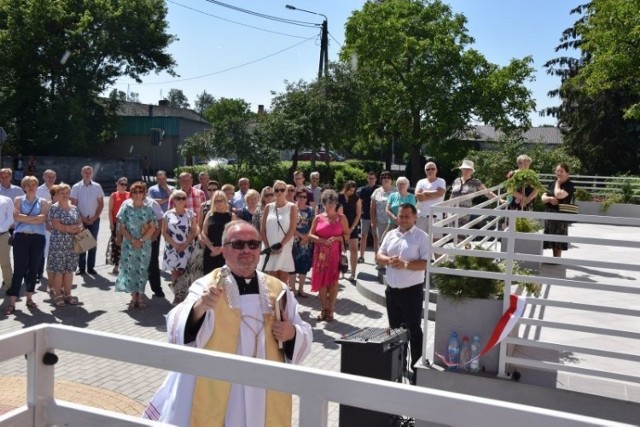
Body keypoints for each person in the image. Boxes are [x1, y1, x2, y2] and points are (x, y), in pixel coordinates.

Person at [142, 221, 313, 426]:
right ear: (224, 250)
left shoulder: (279, 289)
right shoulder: (208, 285)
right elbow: (178, 324)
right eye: (238, 245)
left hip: (264, 388)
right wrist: (201, 307)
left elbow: (303, 331)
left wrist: (291, 333)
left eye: (253, 244)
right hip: (220, 384)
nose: (247, 250)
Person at [376, 203, 429, 383]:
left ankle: (416, 368)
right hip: (392, 291)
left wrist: (405, 264)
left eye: (407, 216)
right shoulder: (391, 234)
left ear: (415, 218)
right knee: (396, 332)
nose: (403, 219)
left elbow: (427, 263)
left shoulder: (422, 237)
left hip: (412, 292)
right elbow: (378, 255)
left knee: (414, 330)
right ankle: (397, 368)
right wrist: (388, 260)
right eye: (401, 216)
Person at [4, 176, 49, 314]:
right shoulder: (18, 200)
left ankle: (29, 298)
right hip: (21, 238)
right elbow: (16, 218)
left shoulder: (43, 202)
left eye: (33, 184)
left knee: (33, 269)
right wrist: (34, 219)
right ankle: (12, 302)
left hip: (38, 239)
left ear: (37, 186)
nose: (31, 187)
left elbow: (43, 219)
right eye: (28, 185)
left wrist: (26, 218)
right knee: (19, 269)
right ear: (24, 186)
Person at [115, 181, 157, 309]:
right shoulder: (126, 207)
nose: (138, 194)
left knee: (142, 270)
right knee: (131, 270)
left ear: (144, 193)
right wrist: (133, 240)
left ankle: (141, 297)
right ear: (131, 193)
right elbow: (122, 227)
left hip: (144, 245)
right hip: (129, 244)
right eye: (135, 192)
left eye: (140, 192)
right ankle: (133, 297)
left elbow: (152, 227)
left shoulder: (149, 208)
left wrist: (141, 240)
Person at [309, 189, 349, 322]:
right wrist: (321, 240)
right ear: (323, 203)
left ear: (336, 203)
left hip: (334, 255)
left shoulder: (341, 218)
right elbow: (310, 235)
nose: (330, 204)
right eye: (327, 202)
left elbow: (347, 235)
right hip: (320, 254)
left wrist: (337, 238)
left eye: (332, 201)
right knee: (321, 282)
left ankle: (331, 310)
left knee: (333, 282)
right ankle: (323, 309)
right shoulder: (318, 218)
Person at [47, 183, 83, 307]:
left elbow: (80, 223)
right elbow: (56, 225)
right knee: (59, 271)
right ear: (56, 195)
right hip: (58, 243)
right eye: (62, 193)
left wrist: (78, 228)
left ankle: (68, 294)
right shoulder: (54, 208)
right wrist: (69, 229)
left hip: (73, 243)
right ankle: (58, 295)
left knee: (69, 270)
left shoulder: (74, 208)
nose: (65, 195)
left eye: (67, 193)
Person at [162, 190, 199, 305]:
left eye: (183, 198)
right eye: (178, 198)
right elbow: (164, 232)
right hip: (172, 249)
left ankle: (187, 296)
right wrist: (175, 245)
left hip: (187, 248)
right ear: (173, 200)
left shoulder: (191, 214)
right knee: (175, 273)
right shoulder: (167, 215)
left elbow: (193, 231)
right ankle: (177, 296)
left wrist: (185, 244)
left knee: (187, 273)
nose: (181, 200)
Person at [70, 165, 105, 275]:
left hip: (94, 220)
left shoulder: (97, 186)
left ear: (92, 173)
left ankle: (91, 267)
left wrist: (94, 217)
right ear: (82, 173)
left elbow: (101, 204)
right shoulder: (76, 187)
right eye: (85, 172)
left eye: (89, 172)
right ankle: (81, 268)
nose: (87, 174)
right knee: (81, 244)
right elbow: (74, 205)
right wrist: (82, 219)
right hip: (81, 220)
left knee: (92, 244)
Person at [261, 180, 297, 283]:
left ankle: (283, 299)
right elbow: (263, 230)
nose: (279, 192)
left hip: (284, 246)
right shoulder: (268, 207)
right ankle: (273, 300)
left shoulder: (292, 207)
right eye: (277, 190)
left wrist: (281, 245)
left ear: (286, 191)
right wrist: (268, 247)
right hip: (270, 247)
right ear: (274, 192)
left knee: (282, 280)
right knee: (272, 280)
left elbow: (292, 229)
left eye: (282, 190)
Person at [542, 162, 575, 258]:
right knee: (550, 236)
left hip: (561, 216)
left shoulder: (569, 185)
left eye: (562, 171)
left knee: (558, 238)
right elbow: (543, 197)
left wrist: (558, 183)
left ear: (567, 173)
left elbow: (559, 195)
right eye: (557, 171)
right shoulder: (551, 183)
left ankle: (556, 260)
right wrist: (549, 199)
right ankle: (553, 259)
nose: (559, 173)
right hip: (549, 213)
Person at [201, 190, 235, 275]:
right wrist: (212, 248)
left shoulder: (231, 216)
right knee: (210, 280)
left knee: (225, 281)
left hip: (225, 252)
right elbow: (203, 233)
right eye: (216, 201)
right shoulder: (209, 214)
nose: (219, 203)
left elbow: (233, 236)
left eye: (221, 200)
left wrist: (220, 250)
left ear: (225, 201)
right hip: (210, 251)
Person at [290, 188, 314, 297]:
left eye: (305, 197)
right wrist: (301, 236)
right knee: (292, 266)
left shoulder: (310, 210)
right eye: (300, 196)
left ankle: (301, 289)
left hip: (306, 242)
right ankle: (293, 289)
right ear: (297, 196)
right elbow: (289, 226)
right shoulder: (292, 208)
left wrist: (307, 236)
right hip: (293, 241)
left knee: (304, 265)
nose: (302, 199)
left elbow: (313, 226)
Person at [338, 180, 362, 281]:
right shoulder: (338, 196)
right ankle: (340, 272)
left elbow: (358, 213)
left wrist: (352, 228)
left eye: (353, 190)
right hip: (340, 226)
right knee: (340, 250)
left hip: (353, 226)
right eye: (349, 190)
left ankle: (353, 273)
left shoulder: (356, 198)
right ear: (345, 187)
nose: (351, 192)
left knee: (354, 249)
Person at [36, 169, 57, 282]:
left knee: (53, 251)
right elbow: (37, 209)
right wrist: (46, 223)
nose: (51, 179)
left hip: (57, 225)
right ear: (44, 177)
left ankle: (53, 273)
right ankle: (39, 273)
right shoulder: (38, 190)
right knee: (41, 250)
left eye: (53, 177)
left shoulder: (59, 189)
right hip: (43, 225)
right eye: (49, 177)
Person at [415, 161, 447, 232]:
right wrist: (434, 195)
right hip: (421, 216)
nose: (430, 171)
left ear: (436, 170)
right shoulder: (421, 182)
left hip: (437, 216)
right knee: (421, 240)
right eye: (428, 169)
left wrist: (425, 192)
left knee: (435, 241)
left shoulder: (441, 181)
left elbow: (439, 193)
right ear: (425, 171)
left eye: (433, 169)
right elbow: (418, 196)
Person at [370, 171, 396, 258]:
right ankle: (380, 262)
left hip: (393, 222)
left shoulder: (396, 191)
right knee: (380, 241)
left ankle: (391, 260)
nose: (386, 179)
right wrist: (373, 221)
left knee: (392, 242)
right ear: (381, 180)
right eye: (384, 177)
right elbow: (372, 208)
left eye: (388, 177)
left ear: (391, 180)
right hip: (380, 222)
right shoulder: (376, 191)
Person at [108, 177, 129, 274]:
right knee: (117, 244)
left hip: (128, 224)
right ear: (118, 184)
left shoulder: (129, 195)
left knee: (127, 244)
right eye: (122, 184)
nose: (124, 186)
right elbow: (110, 211)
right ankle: (116, 265)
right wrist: (111, 223)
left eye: (125, 184)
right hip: (117, 224)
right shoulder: (114, 195)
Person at [357, 172, 378, 263]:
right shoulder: (363, 189)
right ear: (367, 179)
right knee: (363, 236)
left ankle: (377, 257)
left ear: (376, 179)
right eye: (369, 178)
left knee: (376, 237)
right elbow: (360, 202)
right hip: (365, 216)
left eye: (373, 178)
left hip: (376, 217)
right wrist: (360, 212)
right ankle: (361, 256)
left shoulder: (379, 189)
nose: (371, 180)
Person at [0, 194, 13, 292]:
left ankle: (9, 286)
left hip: (2, 235)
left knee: (5, 263)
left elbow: (10, 219)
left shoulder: (6, 200)